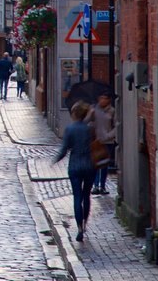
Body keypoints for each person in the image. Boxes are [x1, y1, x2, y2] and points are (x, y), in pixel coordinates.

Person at [54, 101, 96, 242]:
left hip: (75, 166)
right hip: (89, 165)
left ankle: (78, 228)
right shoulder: (90, 129)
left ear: (74, 114)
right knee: (86, 196)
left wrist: (55, 161)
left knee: (77, 197)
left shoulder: (70, 129)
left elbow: (64, 149)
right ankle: (85, 224)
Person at [85, 93, 117, 195]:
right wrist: (90, 114)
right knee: (95, 164)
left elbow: (116, 126)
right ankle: (95, 186)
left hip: (108, 142)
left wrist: (108, 136)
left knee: (104, 165)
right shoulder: (94, 109)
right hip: (96, 141)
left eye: (104, 98)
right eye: (100, 98)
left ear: (108, 100)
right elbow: (85, 122)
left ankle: (102, 186)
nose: (102, 100)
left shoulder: (112, 111)